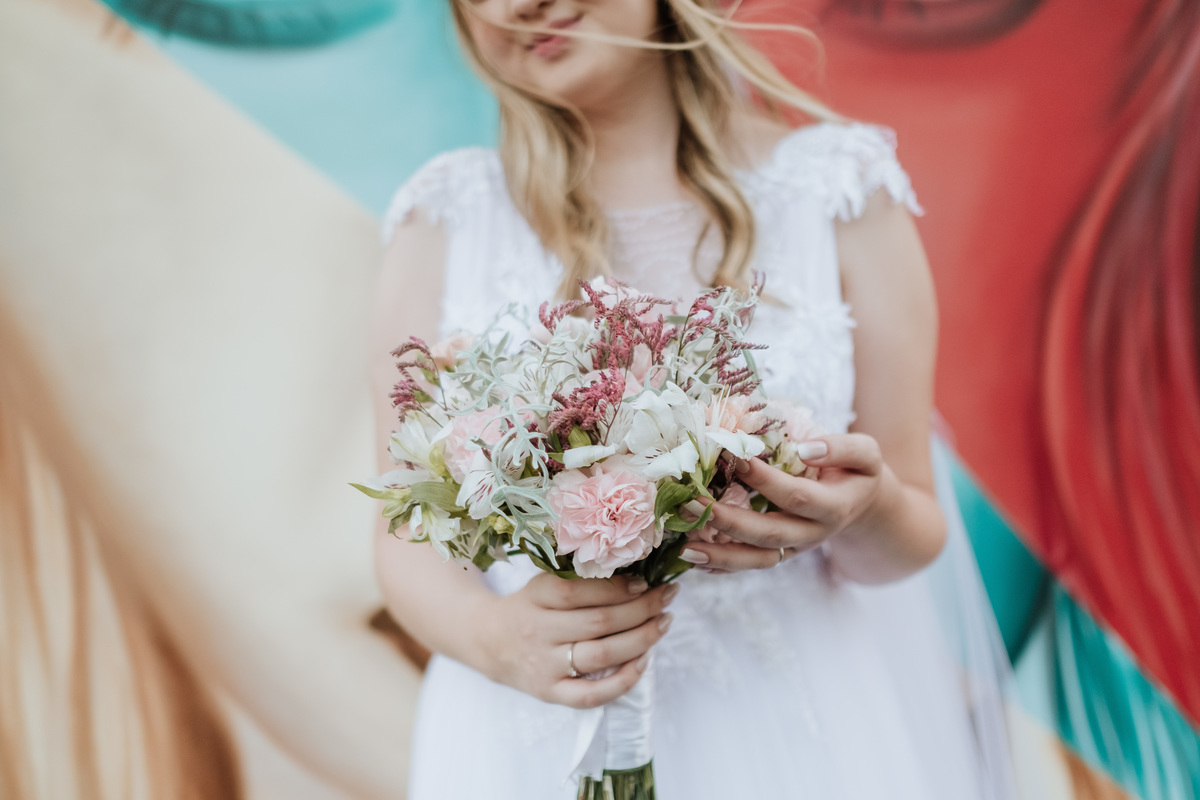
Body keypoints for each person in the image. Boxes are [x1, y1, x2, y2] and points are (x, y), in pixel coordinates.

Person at [371, 1, 1013, 797]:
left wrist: (863, 507)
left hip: (789, 730)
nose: (513, 6)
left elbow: (912, 530)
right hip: (529, 737)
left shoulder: (840, 195)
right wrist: (498, 637)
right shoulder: (445, 219)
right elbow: (404, 536)